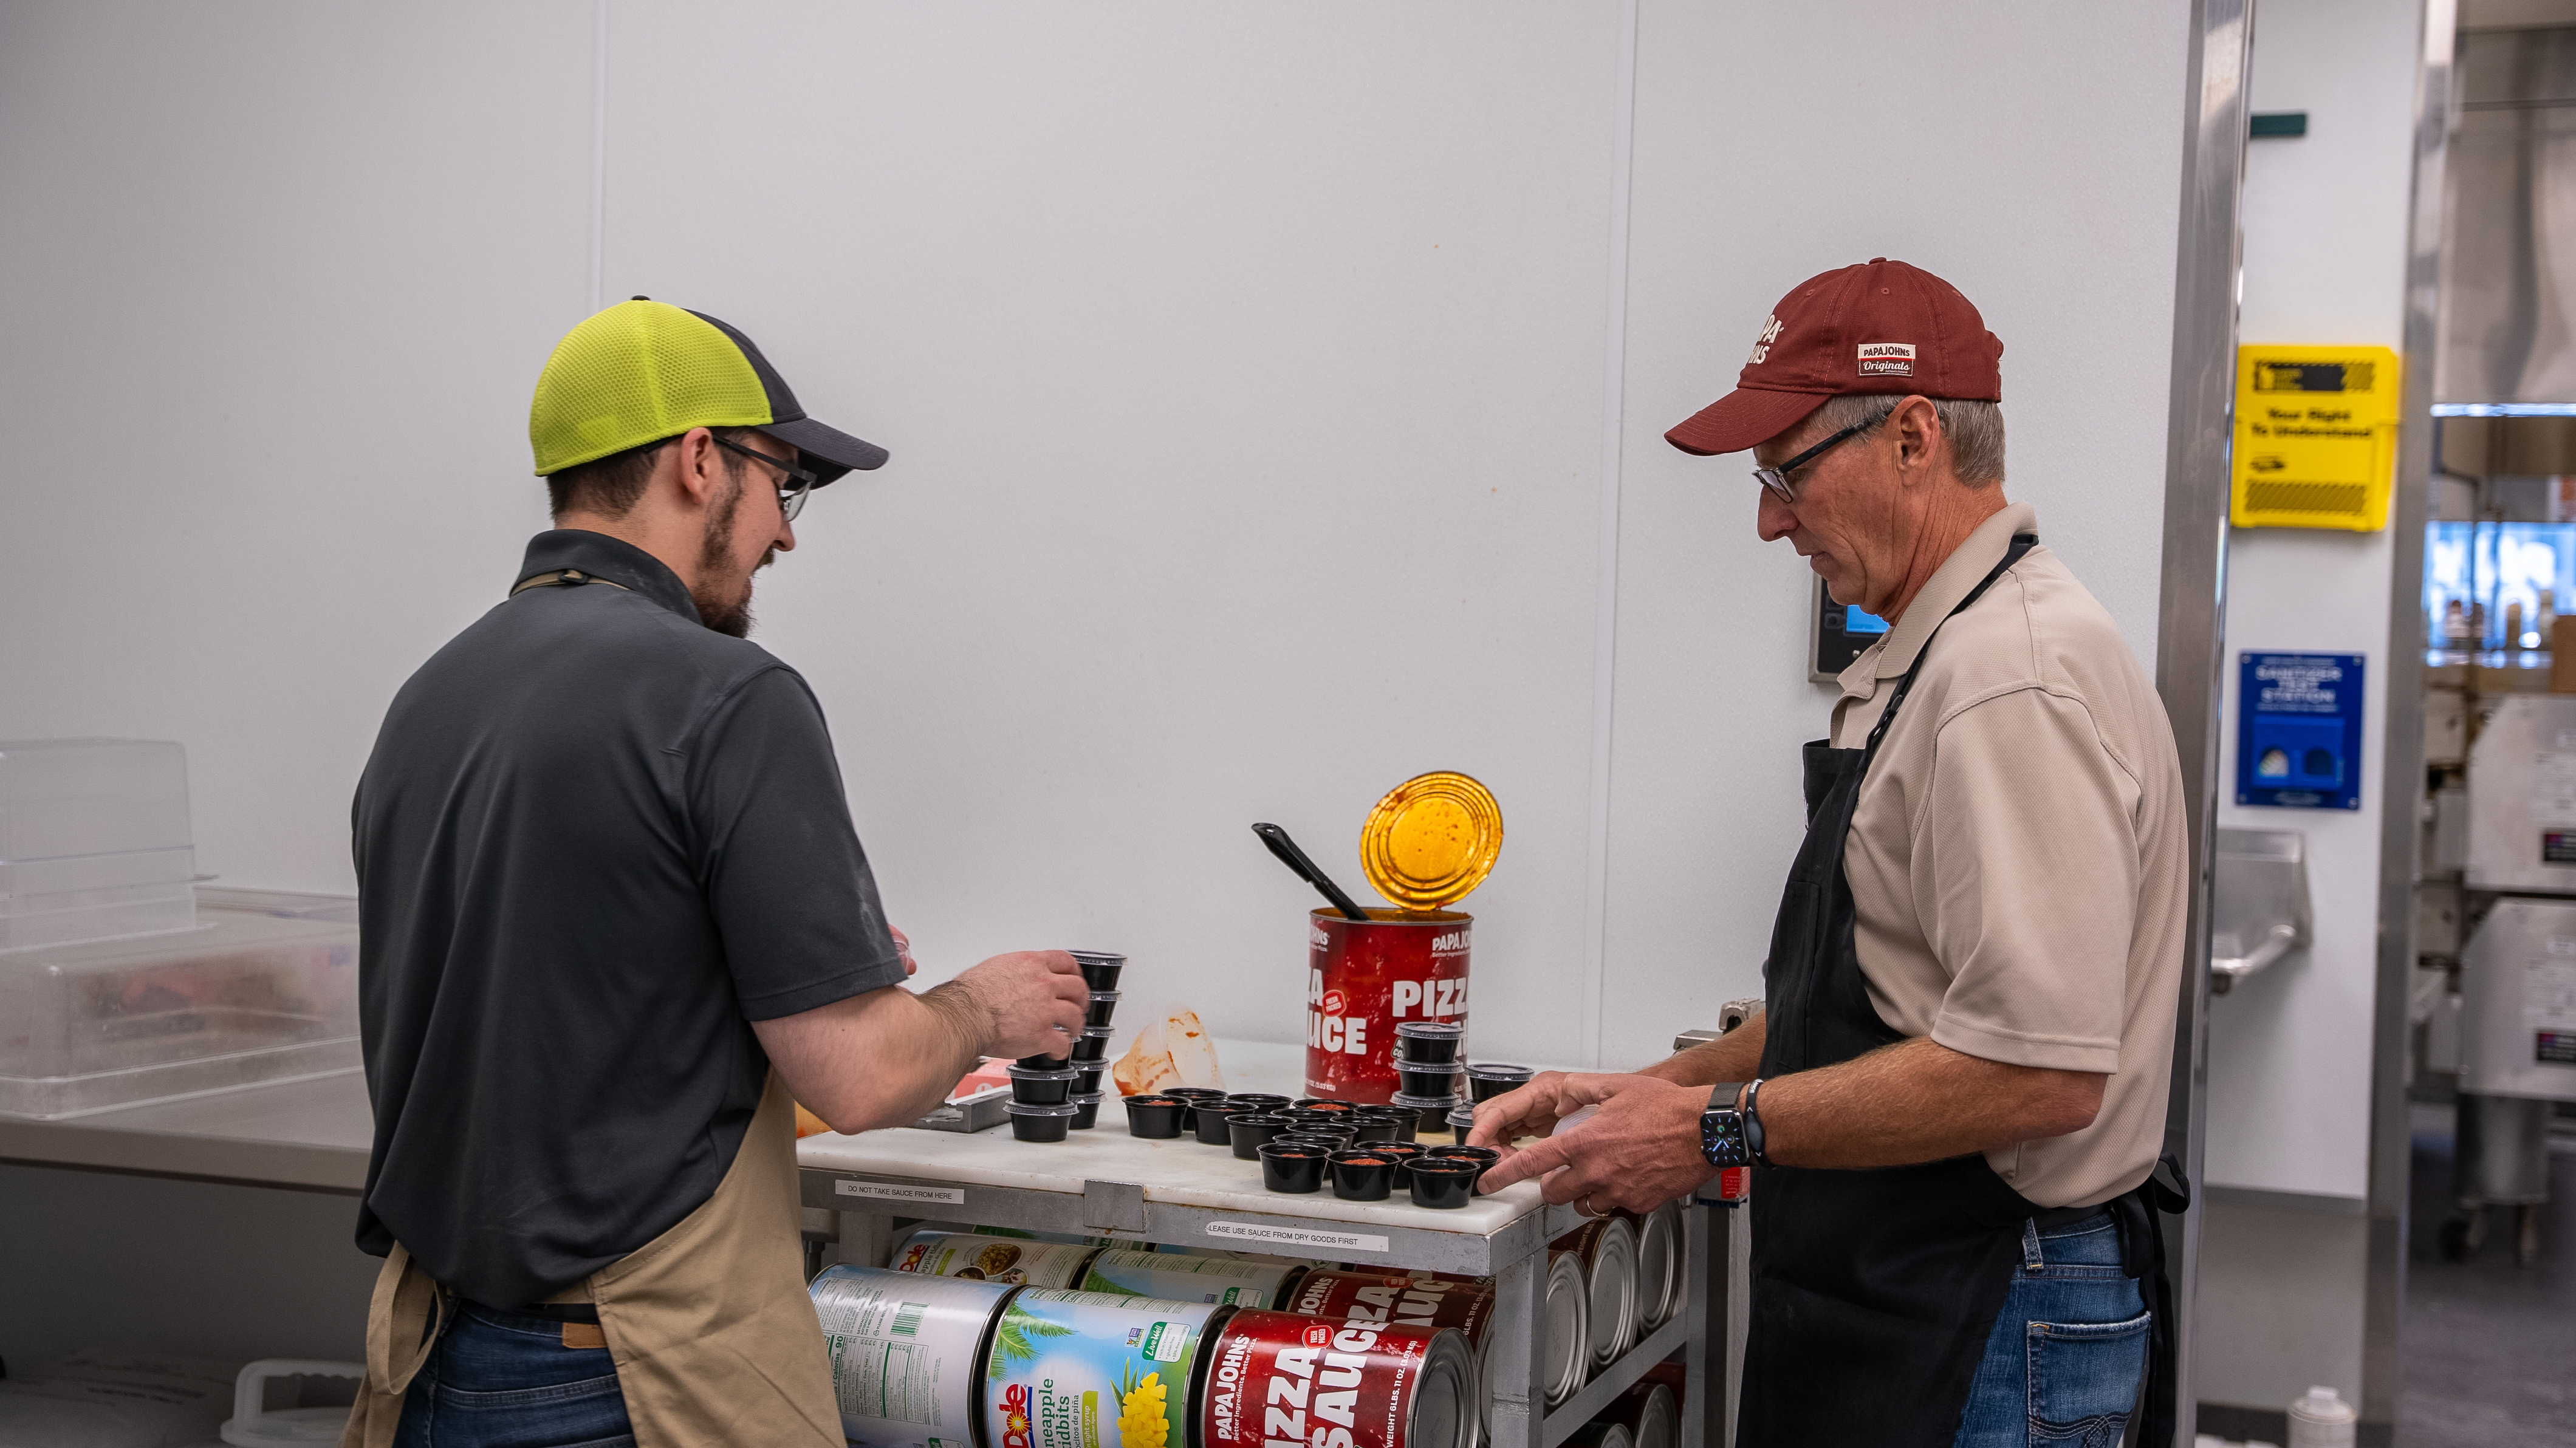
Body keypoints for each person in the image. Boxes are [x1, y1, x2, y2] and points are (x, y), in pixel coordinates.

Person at [341, 299, 1089, 1448]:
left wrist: (756, 975)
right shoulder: (729, 697)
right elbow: (854, 1078)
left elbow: (556, 995)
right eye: (781, 487)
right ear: (700, 461)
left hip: (438, 1368)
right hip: (629, 1384)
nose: (784, 536)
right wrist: (978, 1009)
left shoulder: (434, 695)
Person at [1471, 259, 2190, 1448]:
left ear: (1912, 437)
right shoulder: (1936, 656)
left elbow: (2037, 1073)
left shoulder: (2004, 679)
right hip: (1912, 1295)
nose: (1766, 517)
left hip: (1987, 1312)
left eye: (1784, 472)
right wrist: (1648, 1089)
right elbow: (1880, 1009)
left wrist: (1704, 1131)